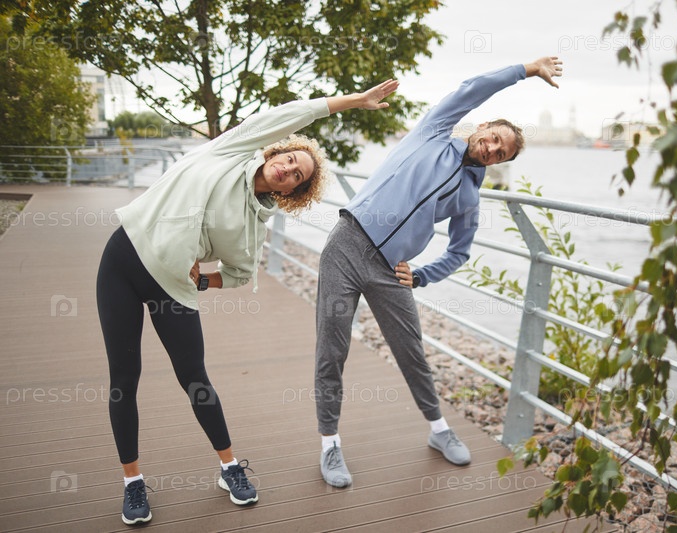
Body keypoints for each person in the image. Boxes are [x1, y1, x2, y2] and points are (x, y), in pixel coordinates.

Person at [96, 79, 398, 525]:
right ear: (275, 152)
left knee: (195, 379)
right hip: (122, 260)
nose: (288, 170)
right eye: (289, 159)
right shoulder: (230, 151)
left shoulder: (255, 225)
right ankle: (133, 482)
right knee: (124, 377)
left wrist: (205, 280)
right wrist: (354, 101)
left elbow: (240, 273)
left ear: (291, 192)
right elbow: (292, 113)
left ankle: (230, 468)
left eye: (298, 176)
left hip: (173, 287)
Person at [314, 56, 562, 487]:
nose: (492, 149)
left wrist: (422, 276)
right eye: (494, 139)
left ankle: (439, 430)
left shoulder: (470, 196)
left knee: (411, 351)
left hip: (391, 270)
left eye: (501, 152)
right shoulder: (434, 132)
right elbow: (473, 87)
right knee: (332, 350)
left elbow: (460, 251)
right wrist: (526, 69)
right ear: (482, 128)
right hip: (346, 246)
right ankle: (329, 444)